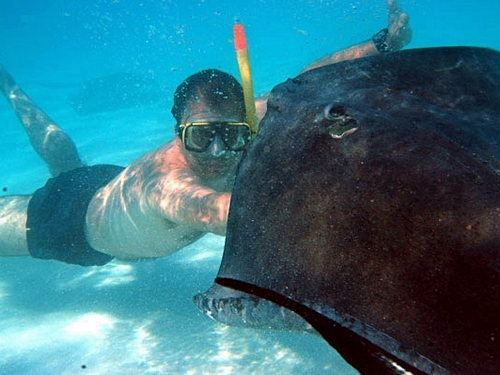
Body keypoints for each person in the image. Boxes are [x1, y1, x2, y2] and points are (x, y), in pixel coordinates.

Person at [0, 0, 411, 266]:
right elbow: (219, 212)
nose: (217, 151)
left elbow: (307, 83)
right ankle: (12, 89)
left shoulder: (247, 121)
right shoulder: (167, 185)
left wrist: (382, 43)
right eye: (200, 136)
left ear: (247, 120)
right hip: (65, 223)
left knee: (67, 164)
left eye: (231, 134)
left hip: (110, 183)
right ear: (179, 130)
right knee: (48, 192)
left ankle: (10, 88)